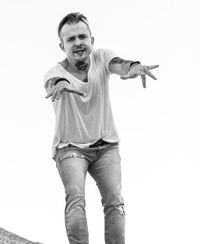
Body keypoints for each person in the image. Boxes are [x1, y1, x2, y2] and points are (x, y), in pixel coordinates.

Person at [44, 12, 159, 244]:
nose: (77, 43)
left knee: (115, 201)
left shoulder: (102, 57)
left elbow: (119, 65)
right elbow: (52, 82)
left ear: (91, 41)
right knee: (76, 198)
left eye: (82, 37)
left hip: (106, 147)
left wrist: (133, 67)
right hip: (70, 149)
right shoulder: (55, 73)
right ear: (62, 45)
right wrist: (60, 84)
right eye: (70, 39)